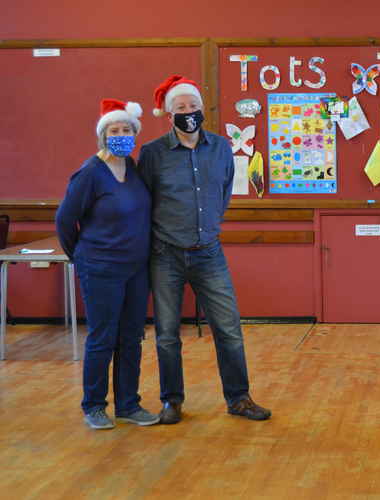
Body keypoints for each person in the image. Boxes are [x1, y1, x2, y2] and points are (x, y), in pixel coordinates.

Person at [137, 75, 271, 424]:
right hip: (165, 254)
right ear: (169, 115)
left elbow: (224, 192)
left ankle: (238, 398)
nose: (188, 112)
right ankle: (172, 401)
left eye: (193, 106)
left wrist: (207, 225)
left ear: (202, 108)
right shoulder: (152, 154)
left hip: (209, 253)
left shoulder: (222, 148)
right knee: (167, 334)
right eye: (180, 108)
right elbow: (144, 202)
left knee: (228, 328)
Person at [56, 99, 159, 430]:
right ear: (103, 135)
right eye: (114, 130)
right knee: (102, 337)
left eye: (127, 129)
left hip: (136, 270)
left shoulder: (135, 171)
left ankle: (129, 404)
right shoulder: (90, 173)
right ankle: (94, 406)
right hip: (100, 268)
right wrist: (82, 256)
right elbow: (64, 220)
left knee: (131, 337)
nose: (121, 134)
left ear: (135, 134)